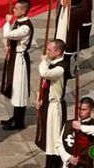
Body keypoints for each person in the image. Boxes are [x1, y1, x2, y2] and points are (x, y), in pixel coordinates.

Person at [35, 39, 71, 168]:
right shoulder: (54, 63)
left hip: (55, 107)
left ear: (58, 51)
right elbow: (46, 84)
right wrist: (40, 98)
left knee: (55, 138)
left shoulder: (61, 68)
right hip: (48, 104)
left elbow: (45, 73)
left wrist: (44, 60)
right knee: (47, 136)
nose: (47, 52)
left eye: (50, 50)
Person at [0, 1, 33, 131]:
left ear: (24, 11)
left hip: (20, 59)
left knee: (19, 89)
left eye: (17, 8)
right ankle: (15, 116)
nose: (14, 10)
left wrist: (7, 22)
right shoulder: (18, 22)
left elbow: (8, 34)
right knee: (14, 87)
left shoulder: (25, 27)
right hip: (14, 56)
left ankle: (19, 120)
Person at [56, 96, 94, 167]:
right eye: (79, 109)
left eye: (84, 109)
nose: (80, 112)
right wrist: (68, 157)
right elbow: (59, 145)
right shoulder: (68, 124)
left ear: (91, 110)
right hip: (70, 165)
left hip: (88, 164)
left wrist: (81, 127)